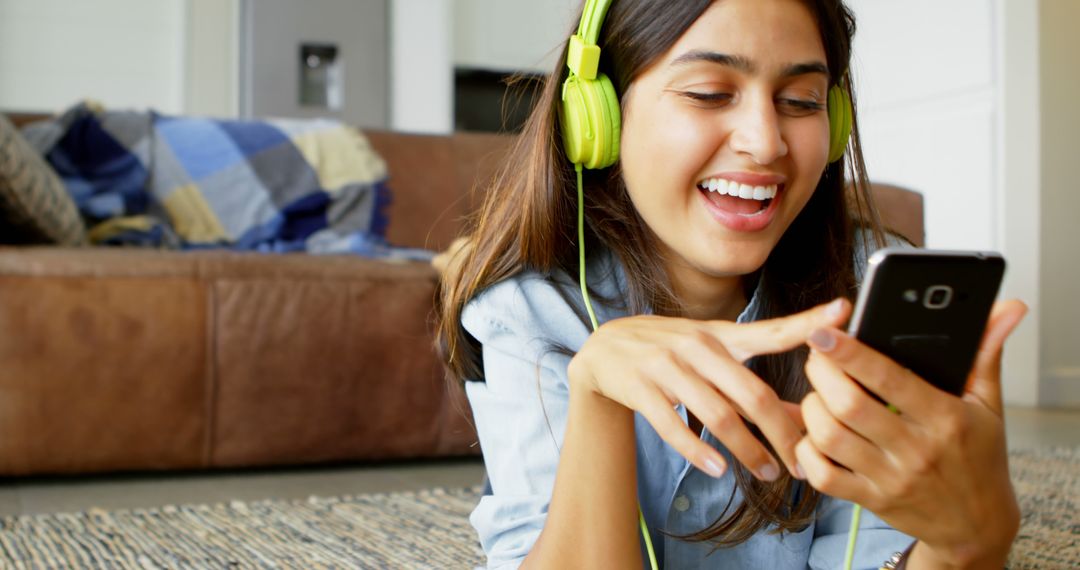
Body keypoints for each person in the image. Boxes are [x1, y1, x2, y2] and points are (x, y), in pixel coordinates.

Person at [436, 0, 1027, 568]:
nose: (766, 142)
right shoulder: (529, 307)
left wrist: (961, 552)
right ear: (599, 114)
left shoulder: (867, 286)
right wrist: (596, 395)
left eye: (801, 100)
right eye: (709, 94)